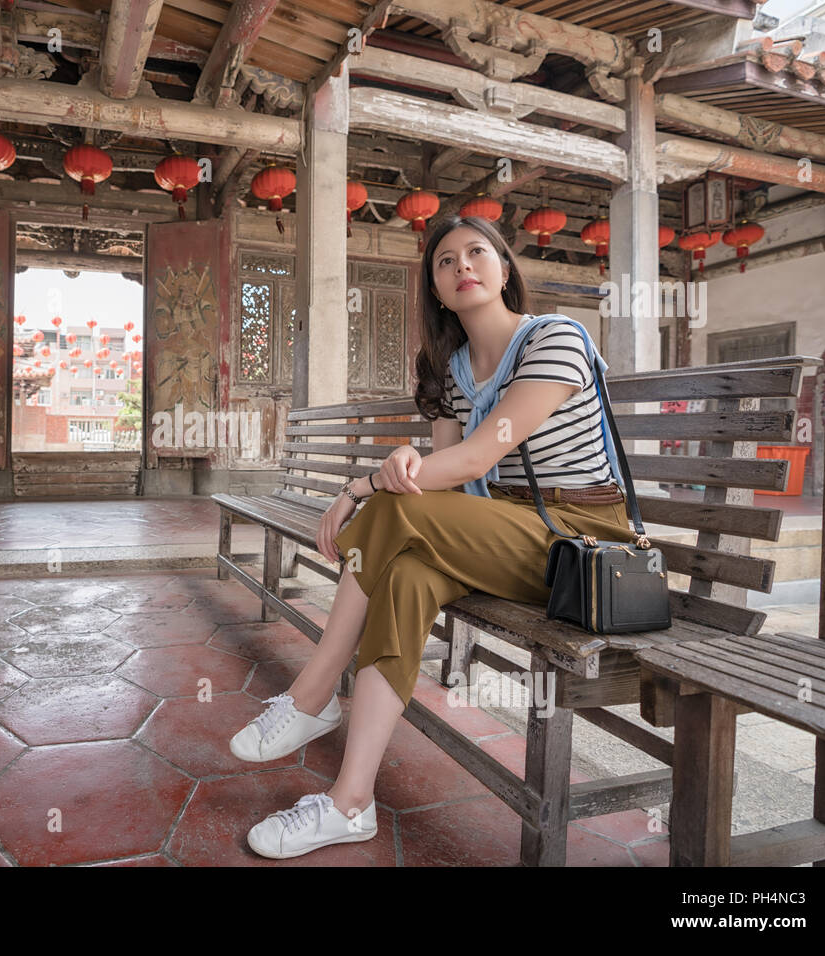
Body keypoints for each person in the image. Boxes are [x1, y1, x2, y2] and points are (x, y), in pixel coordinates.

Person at [233, 215, 637, 859]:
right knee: (404, 577)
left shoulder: (556, 338)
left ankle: (311, 694)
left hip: (576, 538)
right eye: (444, 262)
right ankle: (350, 803)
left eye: (477, 252)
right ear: (438, 290)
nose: (462, 266)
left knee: (391, 511)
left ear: (505, 270)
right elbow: (439, 484)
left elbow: (479, 456)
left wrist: (360, 487)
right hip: (498, 530)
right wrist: (402, 470)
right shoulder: (452, 369)